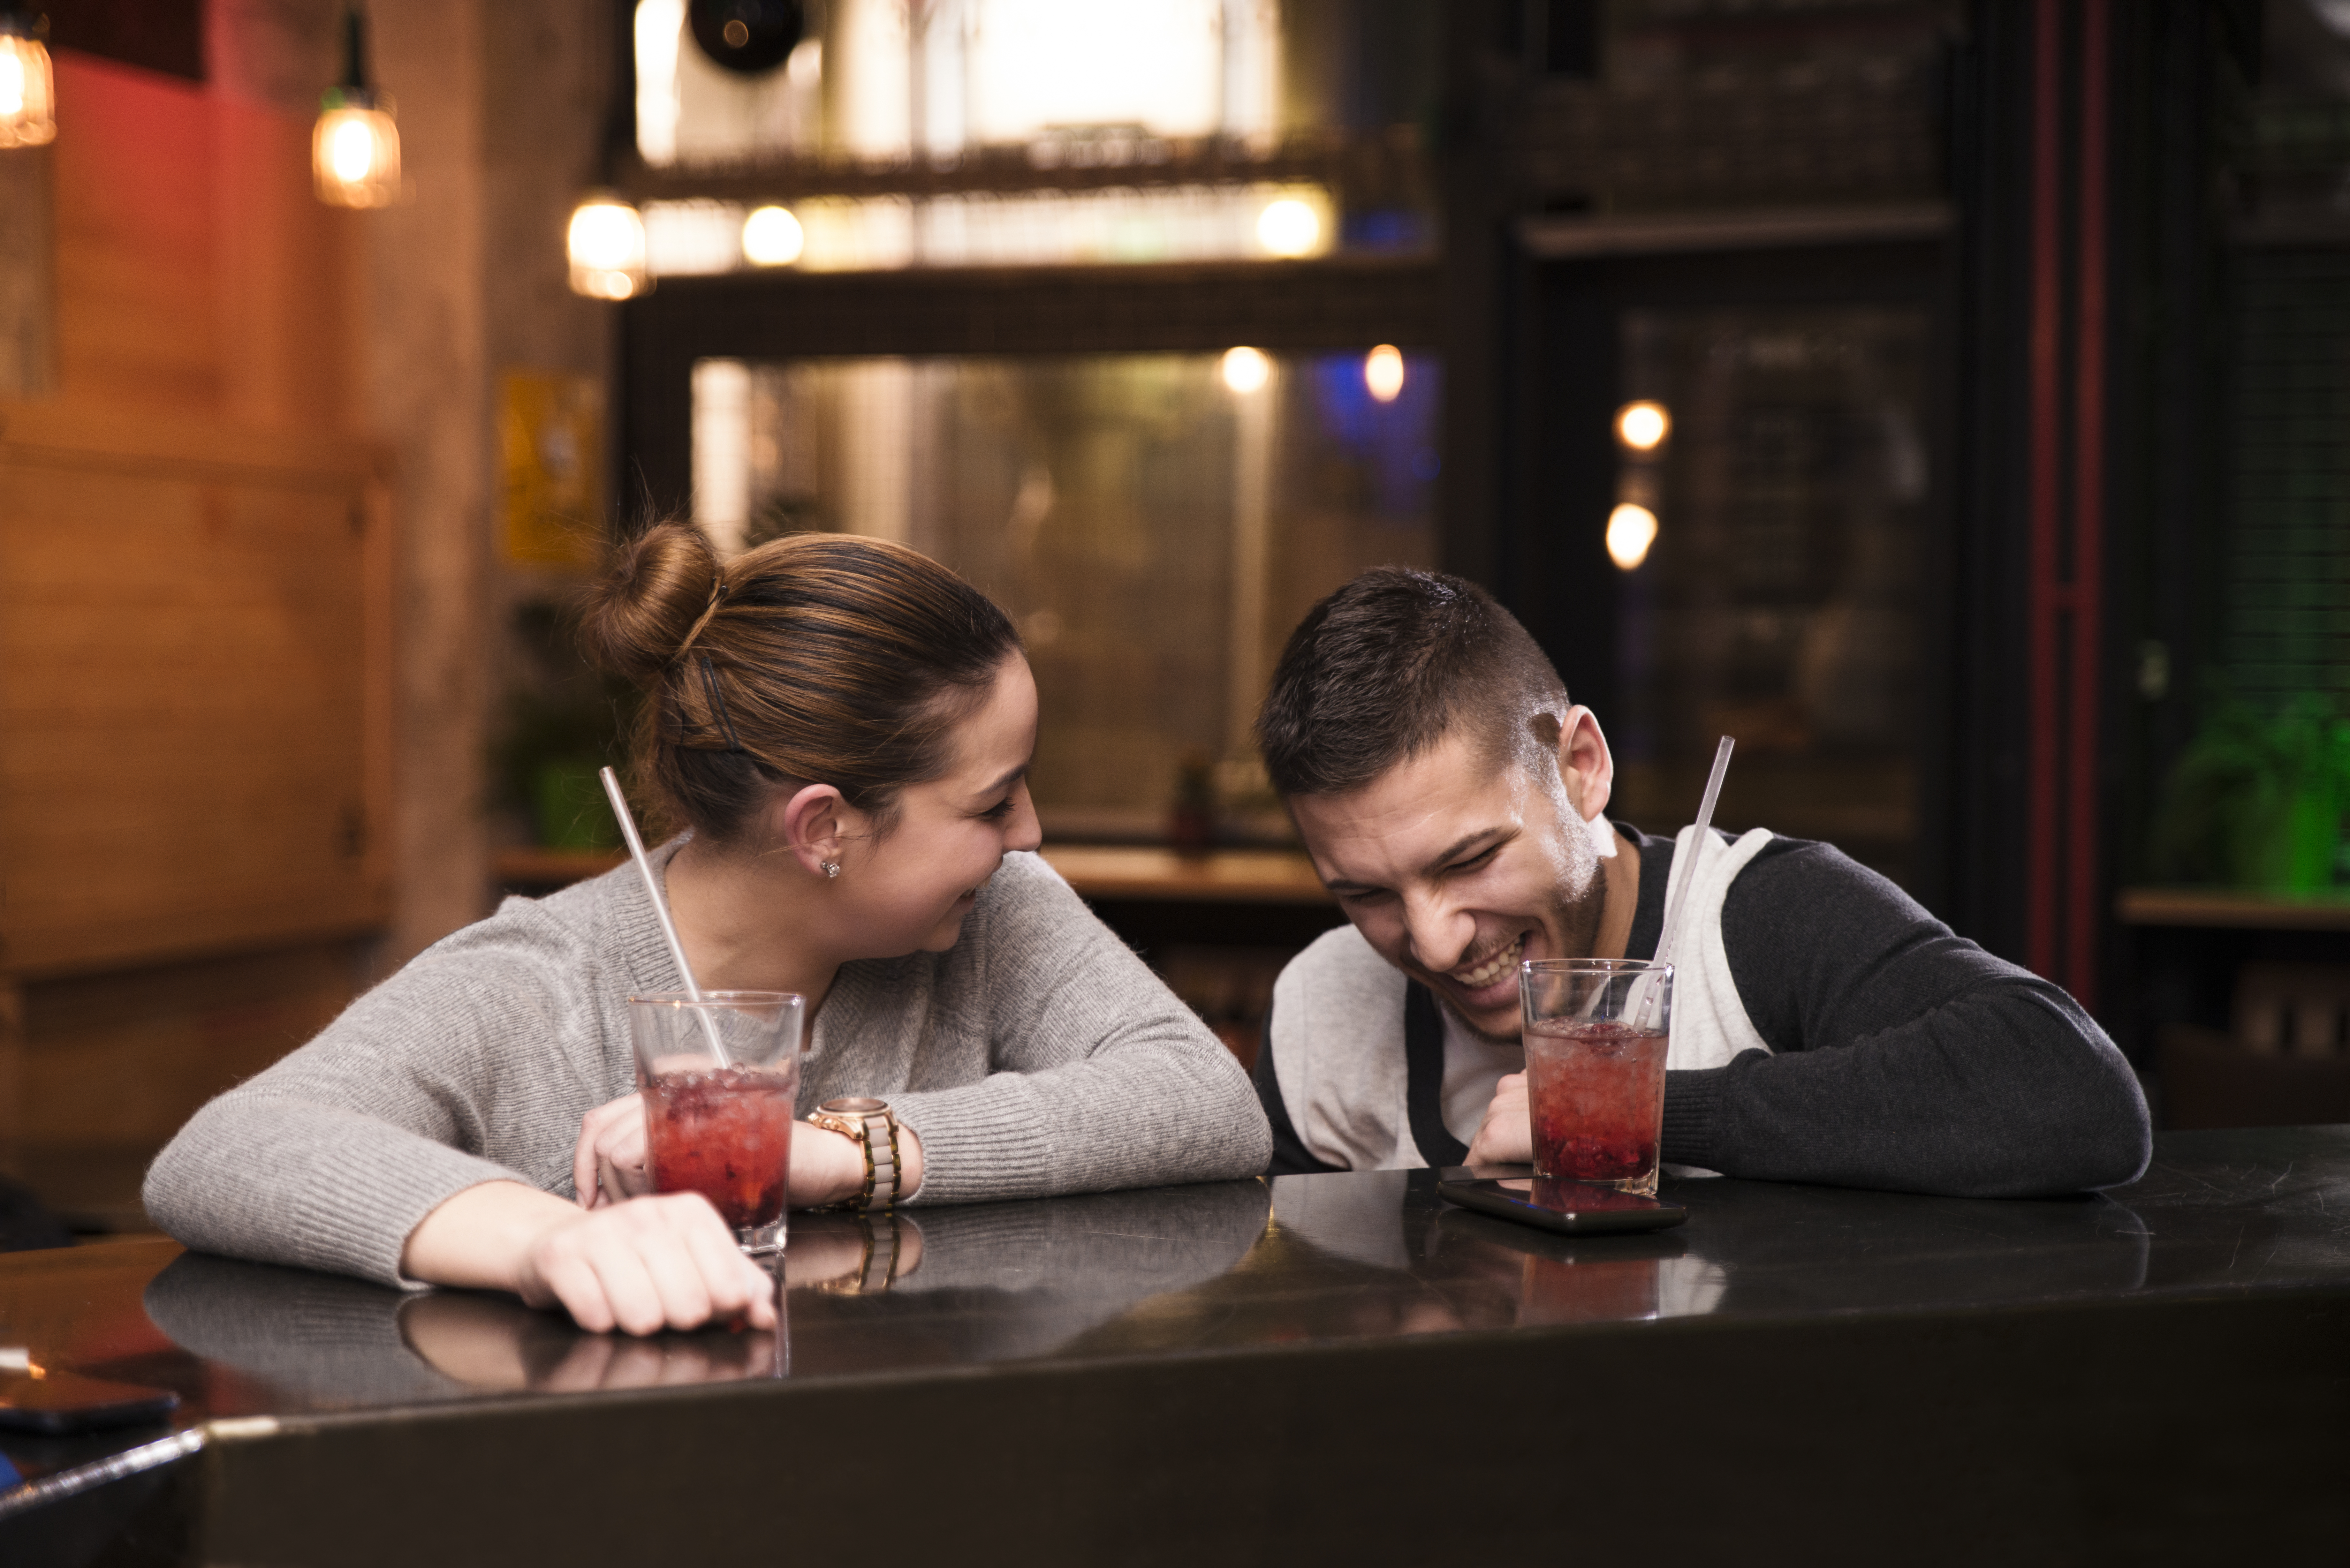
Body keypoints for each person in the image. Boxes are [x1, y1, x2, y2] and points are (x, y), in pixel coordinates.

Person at [146, 525, 1270, 1335]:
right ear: (824, 828)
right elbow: (230, 1150)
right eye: (991, 803)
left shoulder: (995, 911)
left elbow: (1204, 1102)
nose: (1029, 833)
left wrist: (832, 1150)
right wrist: (551, 1242)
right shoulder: (543, 983)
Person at [1249, 567, 2150, 1196]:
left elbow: (2075, 1096)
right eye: (1366, 894)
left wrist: (1629, 1114)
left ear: (1581, 768)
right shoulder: (1323, 1009)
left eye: (1469, 860)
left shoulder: (1758, 916)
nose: (1436, 941)